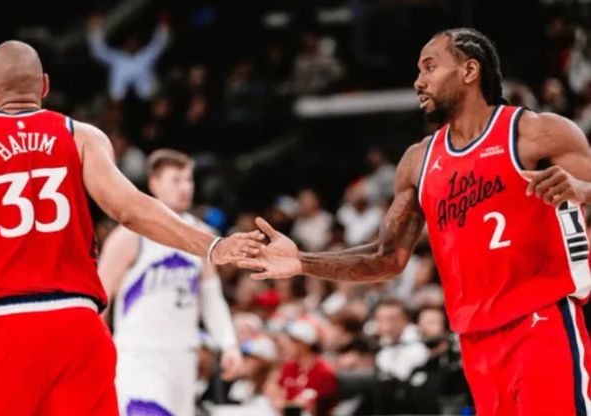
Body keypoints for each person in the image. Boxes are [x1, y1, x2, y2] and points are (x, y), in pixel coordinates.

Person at [240, 27, 591, 415]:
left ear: (469, 70)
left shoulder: (537, 132)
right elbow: (386, 258)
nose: (418, 82)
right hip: (474, 341)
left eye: (429, 67)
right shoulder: (418, 162)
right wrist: (301, 262)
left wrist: (582, 189)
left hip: (540, 323)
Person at [0, 40, 263, 415]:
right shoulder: (82, 136)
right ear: (44, 85)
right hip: (77, 322)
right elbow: (130, 209)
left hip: (2, 320)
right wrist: (213, 245)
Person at [98, 149, 242, 416]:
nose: (185, 187)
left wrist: (228, 343)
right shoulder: (130, 234)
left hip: (184, 355)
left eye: (188, 179)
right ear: (154, 183)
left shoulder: (203, 235)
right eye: (176, 180)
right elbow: (100, 297)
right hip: (139, 354)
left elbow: (211, 296)